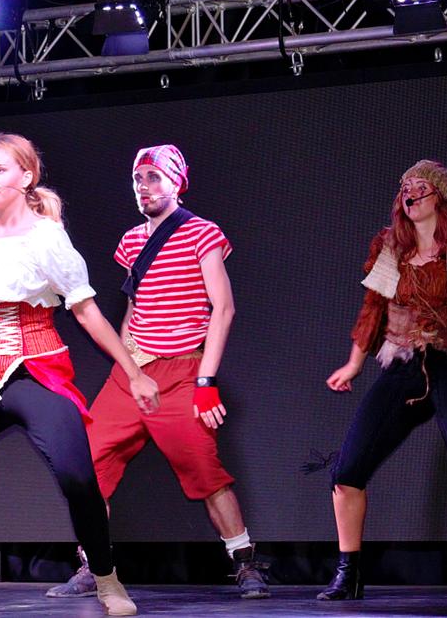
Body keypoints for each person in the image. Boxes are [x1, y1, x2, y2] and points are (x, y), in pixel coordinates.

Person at [0, 132, 158, 616]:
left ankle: (106, 579)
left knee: (78, 480)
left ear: (26, 176)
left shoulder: (46, 238)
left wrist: (134, 372)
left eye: (0, 170)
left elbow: (87, 312)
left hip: (37, 376)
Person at [46, 144, 269, 601]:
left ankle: (245, 563)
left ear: (177, 182)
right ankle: (94, 565)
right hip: (133, 371)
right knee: (86, 461)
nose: (143, 187)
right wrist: (128, 366)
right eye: (138, 179)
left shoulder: (202, 233)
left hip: (183, 370)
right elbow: (134, 308)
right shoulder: (131, 241)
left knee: (204, 467)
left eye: (153, 178)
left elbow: (223, 309)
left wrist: (206, 381)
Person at [319, 159, 447, 601]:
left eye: (420, 187)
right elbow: (372, 308)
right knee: (347, 472)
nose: (410, 195)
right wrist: (353, 364)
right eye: (405, 188)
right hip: (402, 364)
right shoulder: (390, 248)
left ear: (440, 197)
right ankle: (349, 573)